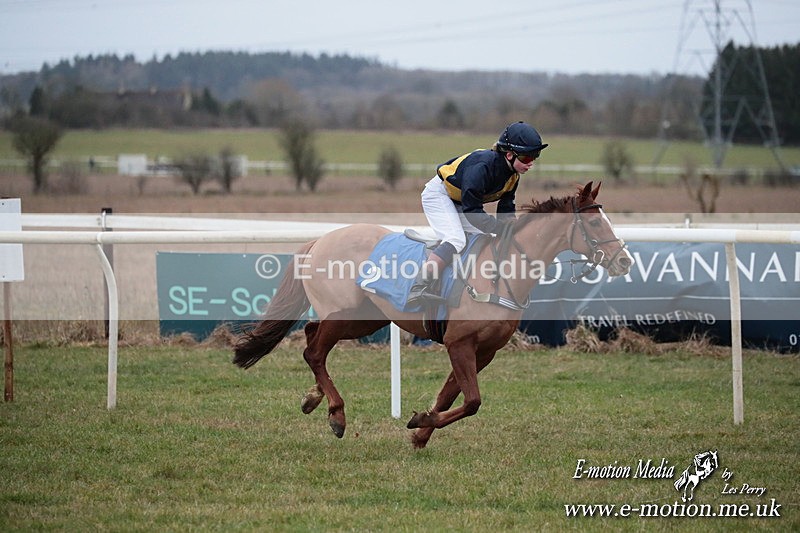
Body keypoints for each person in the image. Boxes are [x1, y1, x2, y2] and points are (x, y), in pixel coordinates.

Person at [406, 121, 548, 305]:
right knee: (455, 240)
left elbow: (506, 211)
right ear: (510, 154)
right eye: (527, 158)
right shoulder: (482, 166)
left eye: (535, 157)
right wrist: (499, 228)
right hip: (440, 195)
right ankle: (419, 287)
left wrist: (512, 229)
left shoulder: (513, 176)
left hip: (461, 202)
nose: (531, 164)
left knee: (482, 240)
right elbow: (473, 211)